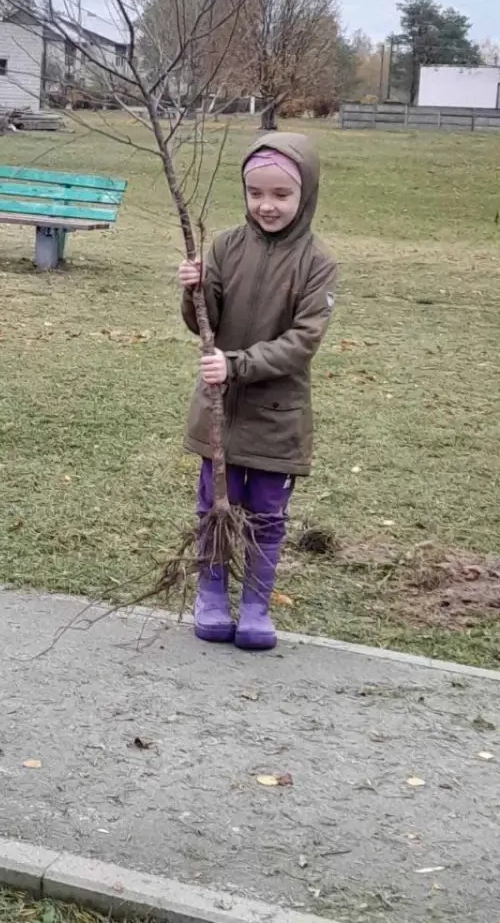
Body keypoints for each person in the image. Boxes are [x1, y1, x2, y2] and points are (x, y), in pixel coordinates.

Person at [178, 133, 337, 651]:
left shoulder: (317, 264)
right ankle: (212, 594)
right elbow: (206, 324)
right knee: (216, 507)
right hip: (220, 411)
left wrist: (237, 365)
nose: (266, 205)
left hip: (277, 416)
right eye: (255, 193)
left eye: (281, 195)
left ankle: (255, 605)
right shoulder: (225, 246)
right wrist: (195, 289)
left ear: (305, 195)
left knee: (267, 514)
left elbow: (301, 343)